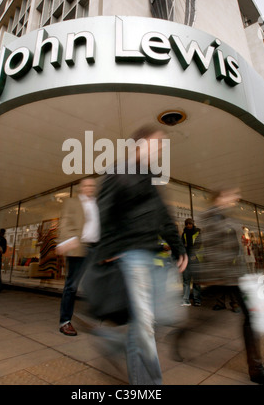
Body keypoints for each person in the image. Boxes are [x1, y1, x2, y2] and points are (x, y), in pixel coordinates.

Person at [94, 125, 188, 385]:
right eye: (157, 143)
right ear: (140, 143)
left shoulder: (152, 177)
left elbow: (164, 217)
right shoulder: (119, 171)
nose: (160, 149)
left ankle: (113, 341)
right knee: (145, 326)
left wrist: (178, 247)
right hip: (130, 254)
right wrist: (109, 249)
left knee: (155, 319)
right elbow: (103, 210)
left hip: (151, 255)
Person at [192, 188, 264, 385]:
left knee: (250, 317)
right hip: (223, 277)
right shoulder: (210, 218)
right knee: (204, 319)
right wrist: (219, 275)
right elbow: (211, 249)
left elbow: (236, 250)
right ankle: (183, 334)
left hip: (235, 277)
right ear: (219, 198)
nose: (234, 198)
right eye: (230, 195)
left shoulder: (226, 217)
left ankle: (256, 368)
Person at [56, 177, 100, 336]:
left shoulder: (97, 204)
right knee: (72, 286)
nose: (89, 187)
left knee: (96, 284)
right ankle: (65, 322)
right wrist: (68, 240)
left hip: (96, 249)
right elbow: (65, 223)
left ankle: (92, 320)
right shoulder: (72, 203)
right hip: (78, 247)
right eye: (86, 185)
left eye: (92, 185)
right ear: (81, 188)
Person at [181, 218, 202, 306]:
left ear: (193, 224)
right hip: (187, 259)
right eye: (187, 224)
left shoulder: (198, 232)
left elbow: (199, 244)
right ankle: (185, 300)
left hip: (196, 259)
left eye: (190, 224)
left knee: (196, 280)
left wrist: (193, 253)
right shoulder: (184, 234)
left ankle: (197, 300)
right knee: (186, 280)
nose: (188, 225)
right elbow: (182, 245)